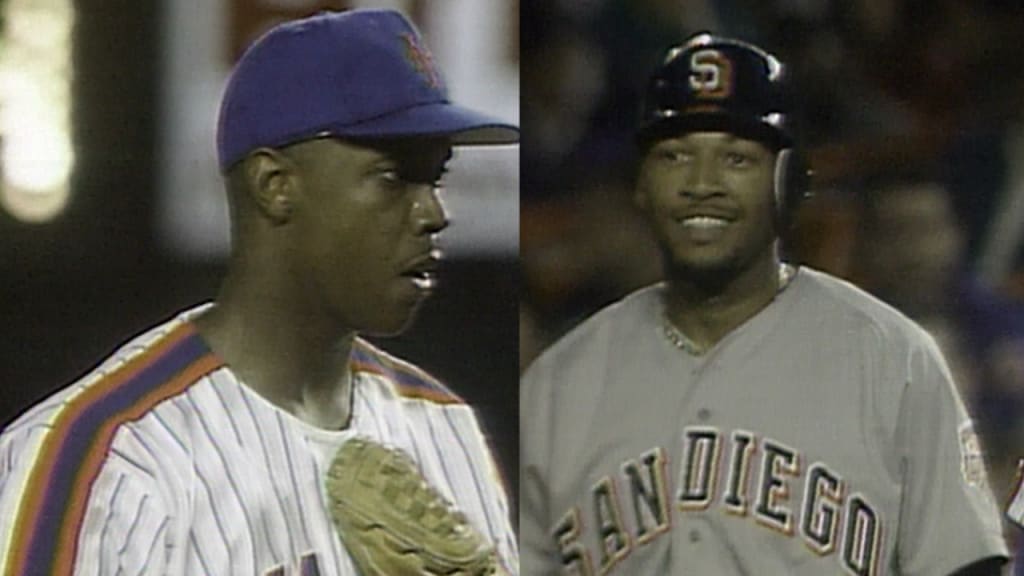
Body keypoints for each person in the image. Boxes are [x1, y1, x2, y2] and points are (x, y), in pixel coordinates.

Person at [0, 9, 518, 575]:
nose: (434, 213)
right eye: (393, 177)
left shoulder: (445, 428)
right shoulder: (105, 456)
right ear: (276, 186)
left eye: (436, 177)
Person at [520, 33, 1008, 575]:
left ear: (789, 183)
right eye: (675, 156)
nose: (701, 184)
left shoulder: (894, 360)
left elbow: (966, 565)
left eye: (737, 158)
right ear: (641, 185)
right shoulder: (558, 385)